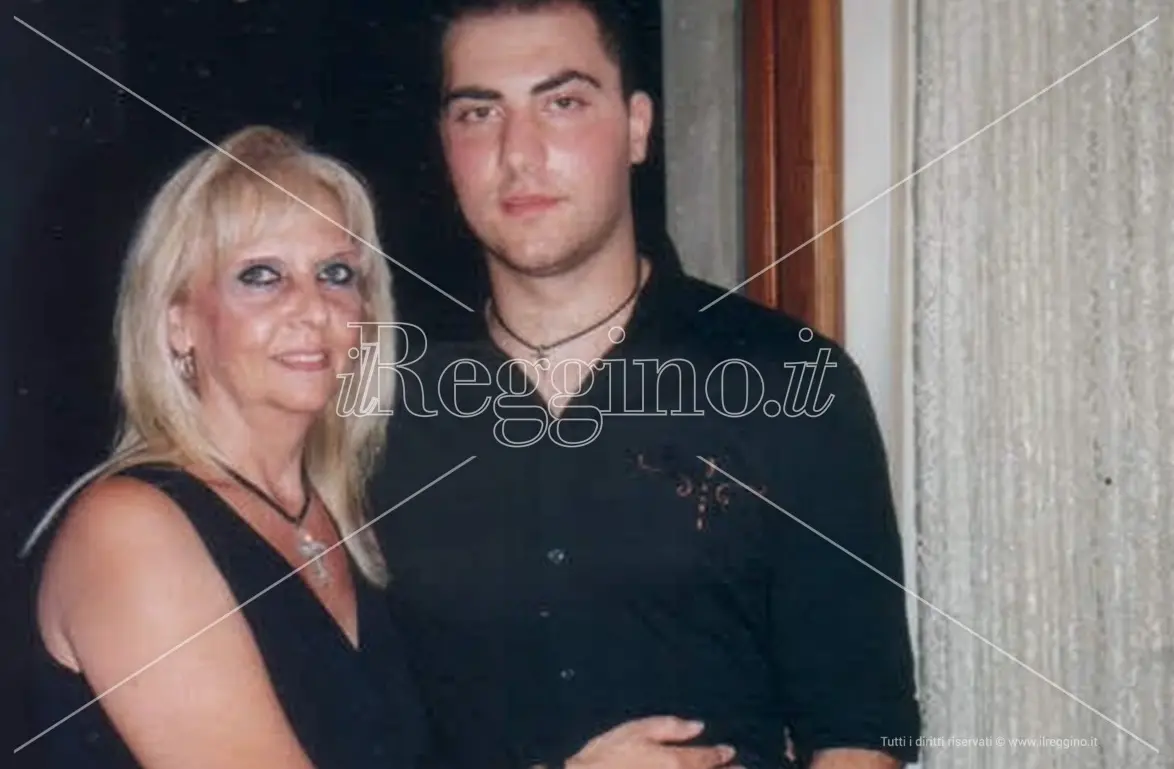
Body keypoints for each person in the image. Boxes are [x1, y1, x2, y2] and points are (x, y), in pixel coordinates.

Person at [18, 124, 736, 769]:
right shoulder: (131, 527)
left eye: (337, 274)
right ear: (178, 322)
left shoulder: (343, 516)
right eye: (261, 276)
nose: (313, 307)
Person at [369, 1, 922, 769]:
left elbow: (863, 728)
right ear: (445, 145)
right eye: (478, 113)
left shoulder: (792, 382)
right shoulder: (381, 415)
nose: (518, 153)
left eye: (563, 103)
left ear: (636, 127)